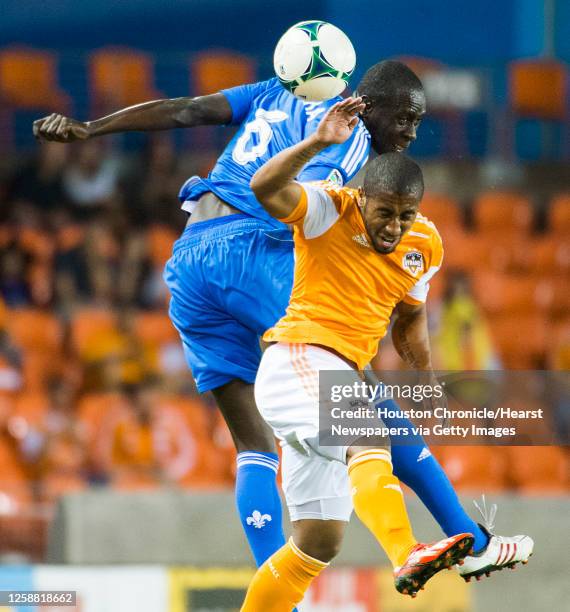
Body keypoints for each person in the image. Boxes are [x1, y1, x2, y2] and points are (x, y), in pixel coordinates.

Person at [33, 61, 529, 578]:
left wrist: (91, 127)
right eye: (403, 119)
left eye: (416, 123)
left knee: (253, 446)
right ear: (363, 100)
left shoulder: (270, 90)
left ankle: (278, 597)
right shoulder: (352, 135)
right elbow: (288, 201)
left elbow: (187, 110)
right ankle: (469, 541)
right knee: (364, 400)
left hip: (189, 260)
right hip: (250, 250)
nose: (409, 133)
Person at [242, 97, 532, 609]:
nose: (394, 226)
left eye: (405, 215)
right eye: (384, 213)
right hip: (301, 359)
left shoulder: (427, 243)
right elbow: (263, 188)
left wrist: (423, 376)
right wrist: (316, 144)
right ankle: (407, 553)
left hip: (342, 374)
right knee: (369, 434)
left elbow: (411, 316)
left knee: (316, 543)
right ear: (362, 199)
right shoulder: (328, 207)